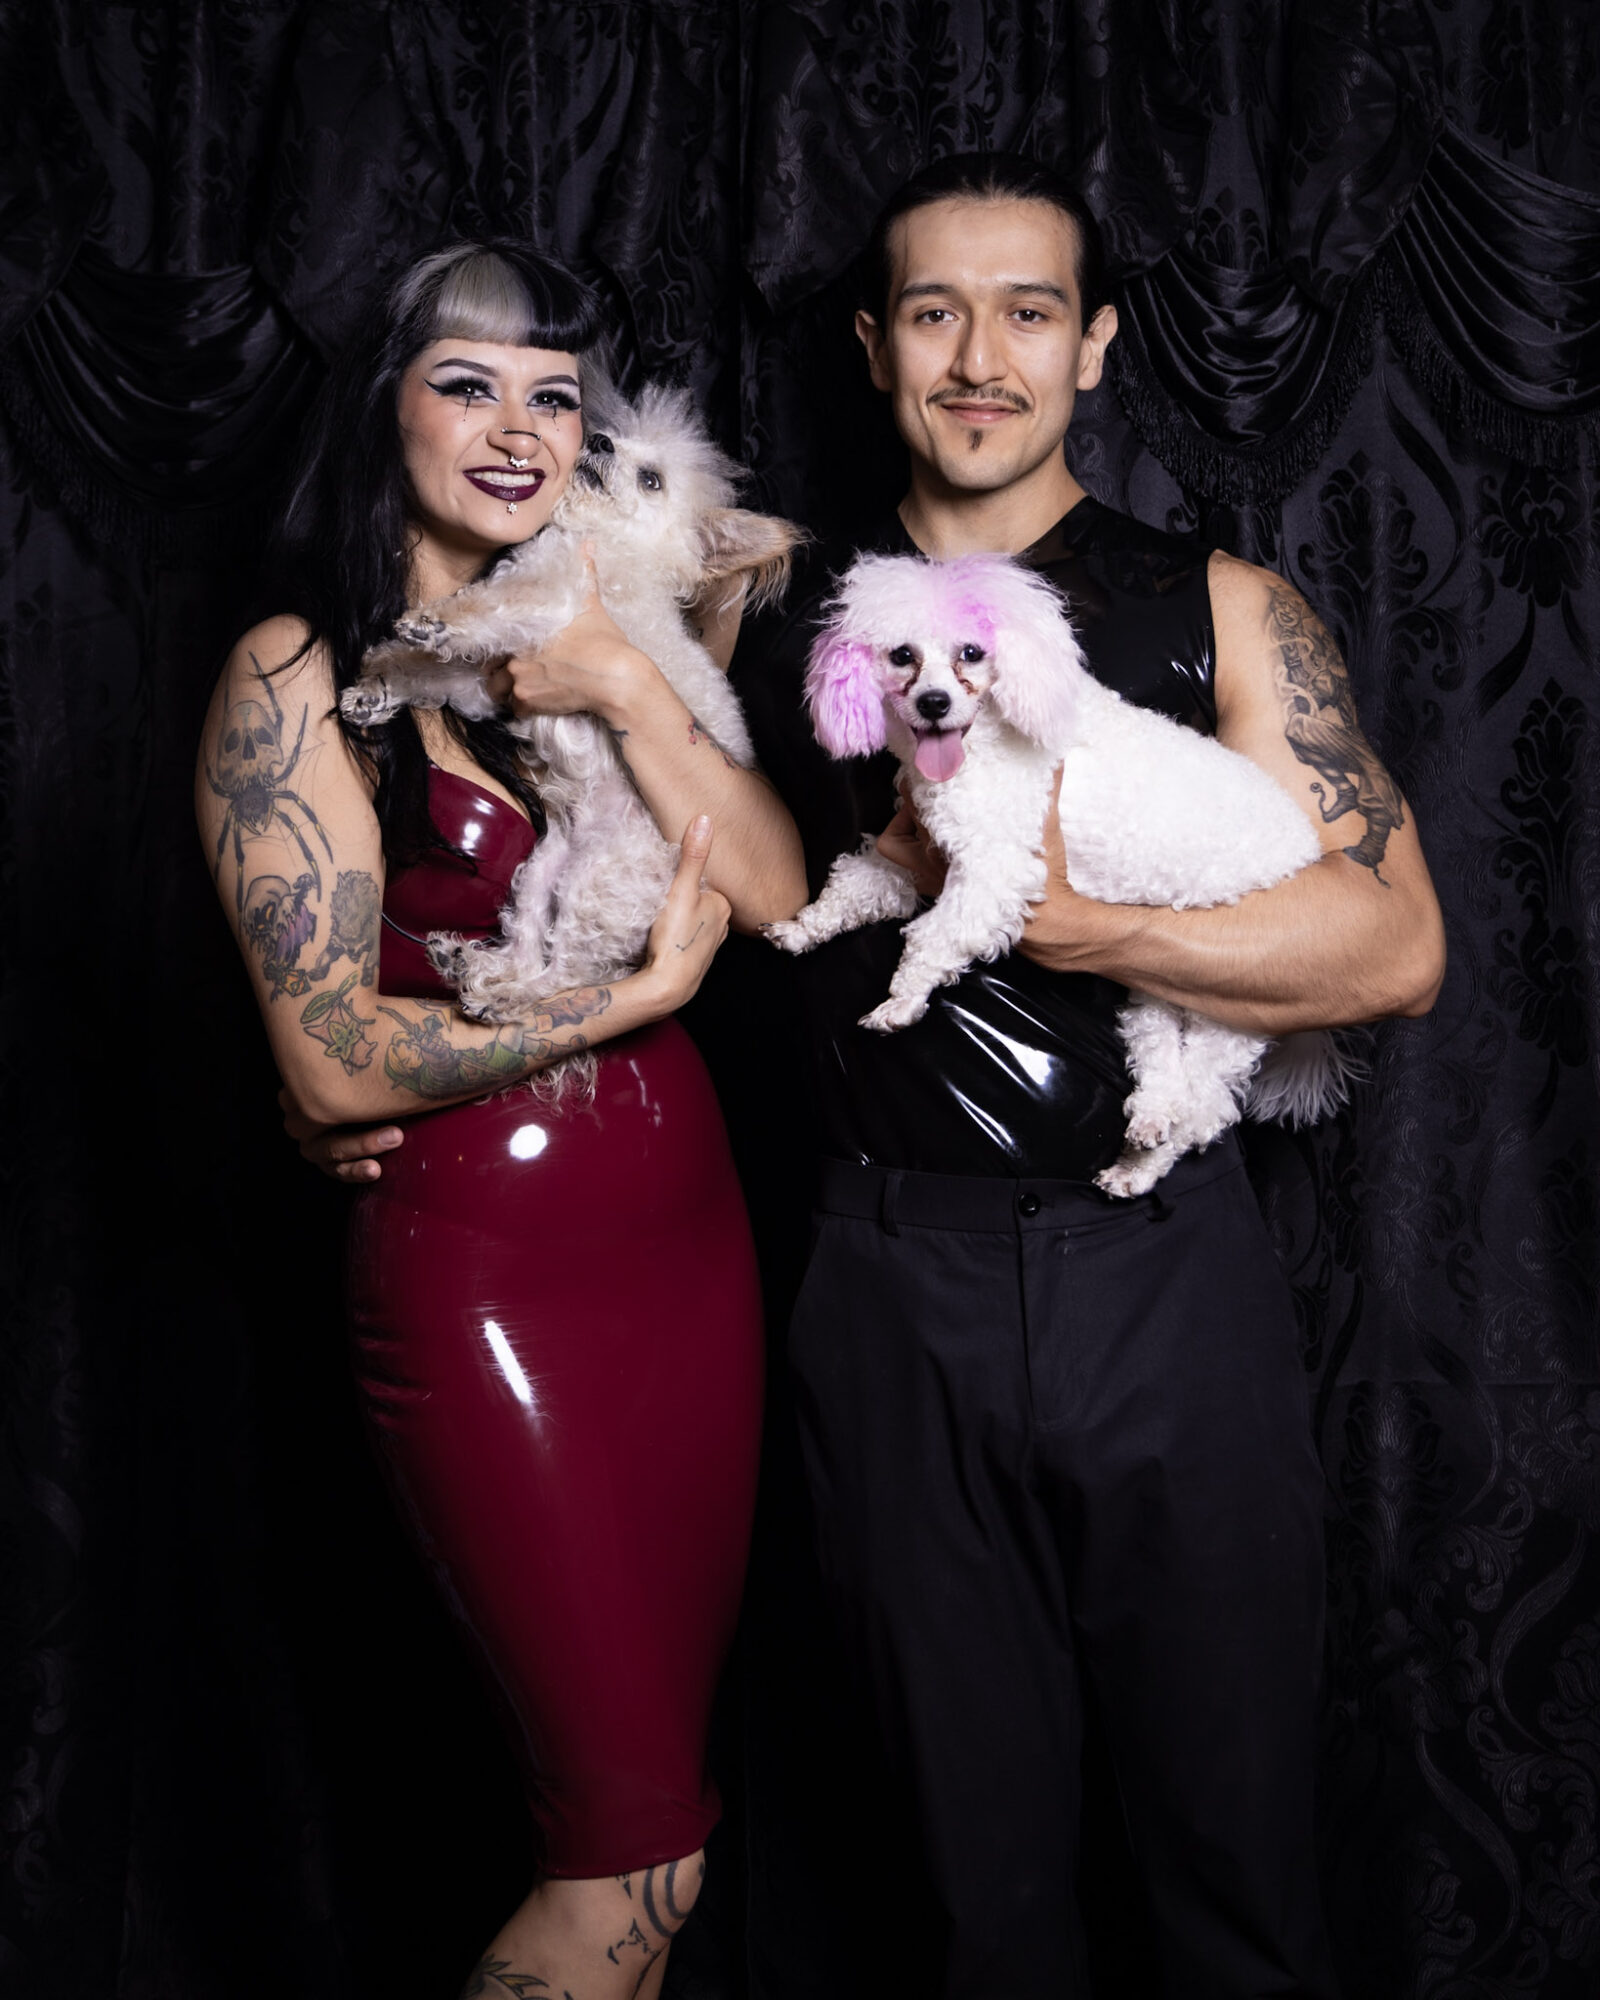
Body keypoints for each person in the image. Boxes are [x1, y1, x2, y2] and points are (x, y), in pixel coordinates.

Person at [300, 159, 1447, 1998]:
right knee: (963, 1898)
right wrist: (357, 1071)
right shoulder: (776, 599)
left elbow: (1392, 949)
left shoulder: (1221, 605)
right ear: (874, 346)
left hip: (1168, 1284)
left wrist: (1069, 924)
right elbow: (713, 868)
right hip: (886, 1285)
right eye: (934, 313)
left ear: (1095, 350)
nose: (979, 356)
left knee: (1232, 1875)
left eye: (1026, 313)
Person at [196, 239, 805, 2000]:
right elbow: (327, 1062)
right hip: (488, 1281)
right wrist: (618, 1004)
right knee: (623, 1855)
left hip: (689, 1254)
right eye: (468, 385)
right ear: (384, 405)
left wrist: (629, 676)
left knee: (670, 1849)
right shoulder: (298, 670)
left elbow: (767, 889)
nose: (523, 429)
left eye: (558, 397)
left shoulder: (607, 630)